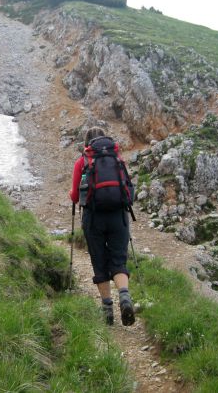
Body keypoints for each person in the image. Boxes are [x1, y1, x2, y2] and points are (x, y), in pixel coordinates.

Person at [69, 127, 135, 326]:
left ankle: (107, 310)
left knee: (99, 262)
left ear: (87, 143)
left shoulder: (83, 162)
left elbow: (74, 196)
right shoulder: (117, 159)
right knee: (118, 260)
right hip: (118, 216)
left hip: (94, 218)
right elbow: (127, 189)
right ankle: (124, 296)